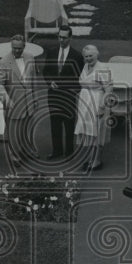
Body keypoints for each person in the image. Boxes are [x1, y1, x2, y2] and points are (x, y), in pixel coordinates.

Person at [0, 34, 38, 170]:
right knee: (13, 131)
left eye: (19, 48)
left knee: (26, 128)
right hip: (13, 102)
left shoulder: (30, 57)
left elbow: (33, 78)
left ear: (24, 46)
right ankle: (14, 156)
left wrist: (35, 98)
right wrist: (7, 99)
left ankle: (26, 151)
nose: (17, 50)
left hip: (29, 100)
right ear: (11, 46)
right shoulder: (3, 62)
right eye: (14, 48)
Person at [43, 24, 84, 161]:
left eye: (64, 38)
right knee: (55, 124)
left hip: (68, 96)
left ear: (70, 38)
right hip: (53, 95)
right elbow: (46, 72)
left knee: (69, 124)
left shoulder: (77, 56)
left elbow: (81, 77)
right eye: (60, 37)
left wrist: (73, 91)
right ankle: (57, 151)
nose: (61, 40)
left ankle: (69, 152)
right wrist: (50, 82)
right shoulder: (52, 52)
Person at [74, 44, 112, 172]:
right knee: (87, 132)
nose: (88, 59)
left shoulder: (102, 68)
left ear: (97, 55)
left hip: (96, 102)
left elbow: (108, 89)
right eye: (86, 57)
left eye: (91, 56)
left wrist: (102, 106)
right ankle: (90, 159)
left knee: (97, 133)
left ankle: (97, 161)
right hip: (85, 103)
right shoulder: (85, 66)